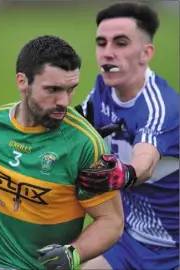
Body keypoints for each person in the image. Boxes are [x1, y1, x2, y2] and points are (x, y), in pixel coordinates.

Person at [0, 35, 124, 270]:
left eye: (71, 89)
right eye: (53, 89)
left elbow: (111, 220)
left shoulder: (84, 145)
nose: (64, 101)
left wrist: (74, 253)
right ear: (23, 81)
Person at [75, 2, 179, 270]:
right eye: (101, 43)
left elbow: (144, 163)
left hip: (173, 250)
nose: (107, 53)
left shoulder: (160, 106)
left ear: (146, 53)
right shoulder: (103, 89)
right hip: (128, 241)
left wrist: (120, 174)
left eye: (120, 43)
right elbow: (76, 128)